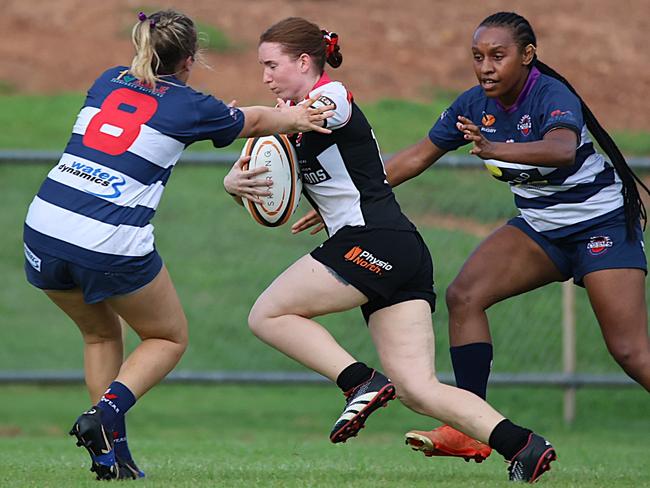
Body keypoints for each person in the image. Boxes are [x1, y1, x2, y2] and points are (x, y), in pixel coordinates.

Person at [225, 16, 557, 483]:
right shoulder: (290, 121)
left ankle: (358, 381)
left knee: (268, 315)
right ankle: (523, 445)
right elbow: (269, 184)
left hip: (373, 241)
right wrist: (232, 181)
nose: (264, 77)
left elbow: (295, 118)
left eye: (271, 65)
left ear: (304, 62)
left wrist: (236, 121)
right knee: (418, 390)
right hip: (396, 249)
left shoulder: (332, 98)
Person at [22, 9, 333, 481]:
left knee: (101, 334)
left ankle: (112, 457)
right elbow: (251, 121)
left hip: (44, 226)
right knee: (167, 337)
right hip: (106, 239)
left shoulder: (108, 80)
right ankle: (104, 416)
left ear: (141, 47)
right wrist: (295, 117)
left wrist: (215, 114)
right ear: (189, 59)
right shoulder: (190, 105)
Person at [380, 11, 650, 462]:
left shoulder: (550, 93)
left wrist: (495, 148)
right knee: (465, 296)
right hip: (542, 228)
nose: (486, 66)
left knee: (629, 350)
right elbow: (415, 157)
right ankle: (470, 424)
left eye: (498, 56)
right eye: (477, 56)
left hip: (600, 225)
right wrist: (353, 200)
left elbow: (562, 150)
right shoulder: (473, 105)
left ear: (527, 56)